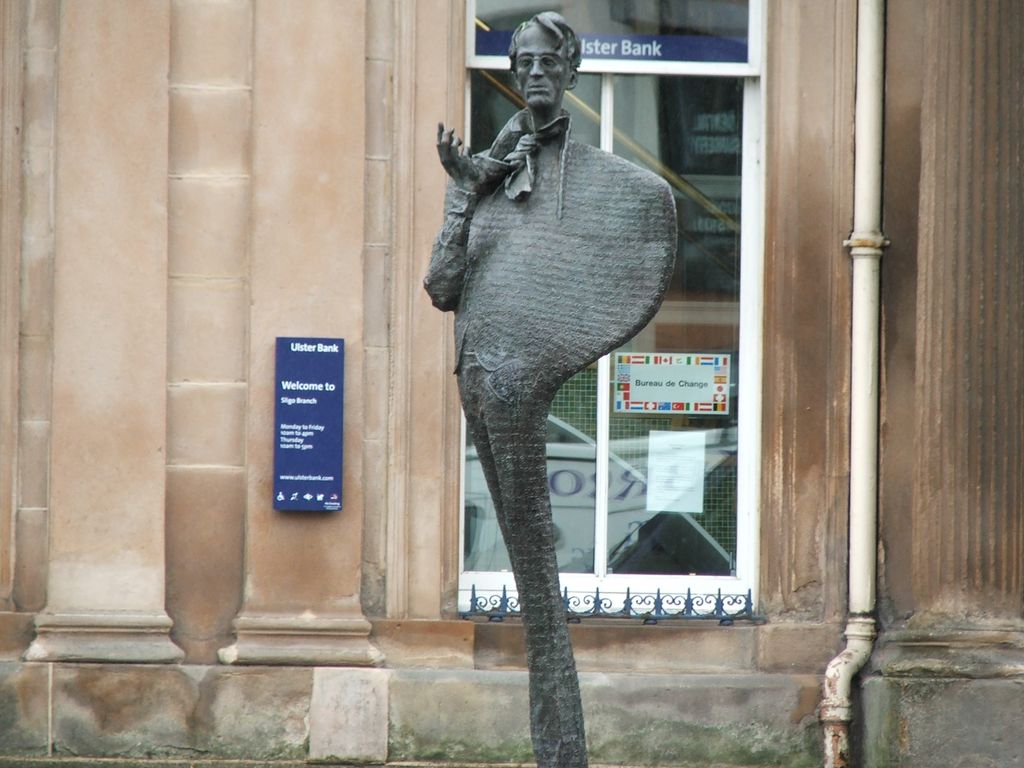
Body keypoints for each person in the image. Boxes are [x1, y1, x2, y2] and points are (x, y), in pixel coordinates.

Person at [425, 12, 677, 768]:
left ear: (570, 69)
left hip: (525, 382)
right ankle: (559, 749)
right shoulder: (485, 176)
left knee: (538, 579)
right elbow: (440, 287)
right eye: (523, 62)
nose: (534, 74)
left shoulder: (607, 182)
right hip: (479, 376)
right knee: (533, 580)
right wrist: (468, 194)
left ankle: (561, 751)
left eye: (547, 62)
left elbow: (635, 246)